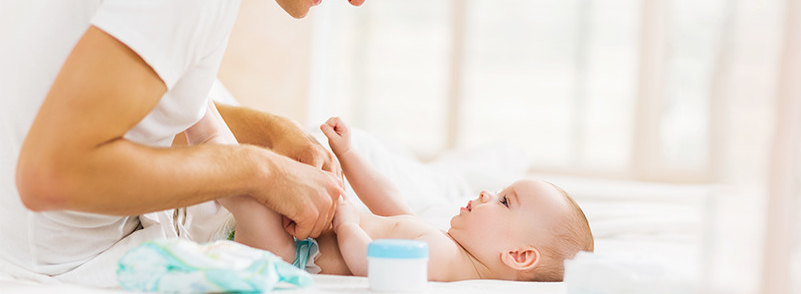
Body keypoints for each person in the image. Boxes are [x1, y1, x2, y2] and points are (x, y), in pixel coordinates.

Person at [0, 0, 436, 286]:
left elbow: (128, 111)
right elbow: (51, 175)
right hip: (57, 265)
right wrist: (261, 170)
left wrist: (271, 133)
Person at [216, 114, 595, 282]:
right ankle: (200, 125)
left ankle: (200, 127)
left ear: (518, 256)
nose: (486, 193)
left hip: (288, 254)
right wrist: (349, 155)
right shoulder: (445, 244)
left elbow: (369, 264)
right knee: (257, 174)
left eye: (504, 202)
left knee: (247, 186)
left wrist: (346, 221)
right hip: (299, 234)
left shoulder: (445, 262)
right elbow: (389, 201)